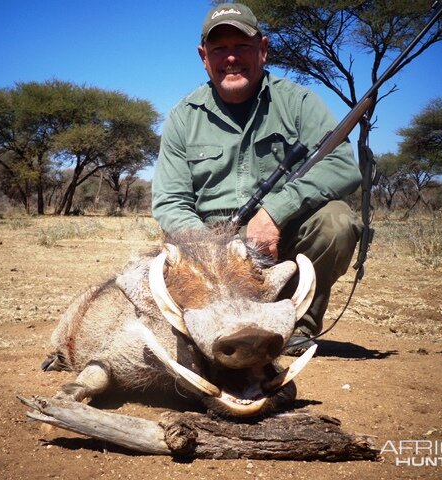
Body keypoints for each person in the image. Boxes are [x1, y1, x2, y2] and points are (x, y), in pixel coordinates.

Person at [152, 3, 362, 354]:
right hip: (211, 246)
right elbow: (170, 203)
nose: (230, 58)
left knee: (337, 221)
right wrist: (213, 252)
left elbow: (342, 166)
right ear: (204, 57)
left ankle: (299, 325)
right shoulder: (182, 116)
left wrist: (275, 212)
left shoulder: (299, 102)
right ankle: (209, 323)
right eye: (220, 49)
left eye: (241, 47)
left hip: (278, 241)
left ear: (262, 49)